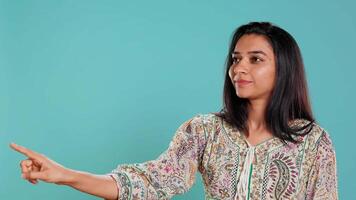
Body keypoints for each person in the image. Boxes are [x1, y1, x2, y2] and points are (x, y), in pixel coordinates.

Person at [10, 22, 338, 200]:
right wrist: (67, 176)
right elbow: (148, 183)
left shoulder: (312, 142)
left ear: (284, 69)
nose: (239, 68)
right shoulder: (204, 131)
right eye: (236, 59)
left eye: (255, 59)